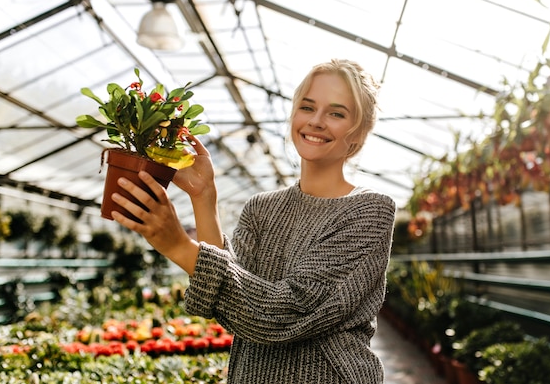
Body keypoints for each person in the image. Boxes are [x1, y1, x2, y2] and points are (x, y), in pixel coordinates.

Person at [110, 59, 397, 383]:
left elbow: (286, 312)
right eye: (307, 107)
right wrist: (204, 199)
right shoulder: (260, 208)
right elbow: (237, 304)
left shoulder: (369, 211)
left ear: (358, 133)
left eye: (336, 113)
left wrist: (178, 245)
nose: (316, 121)